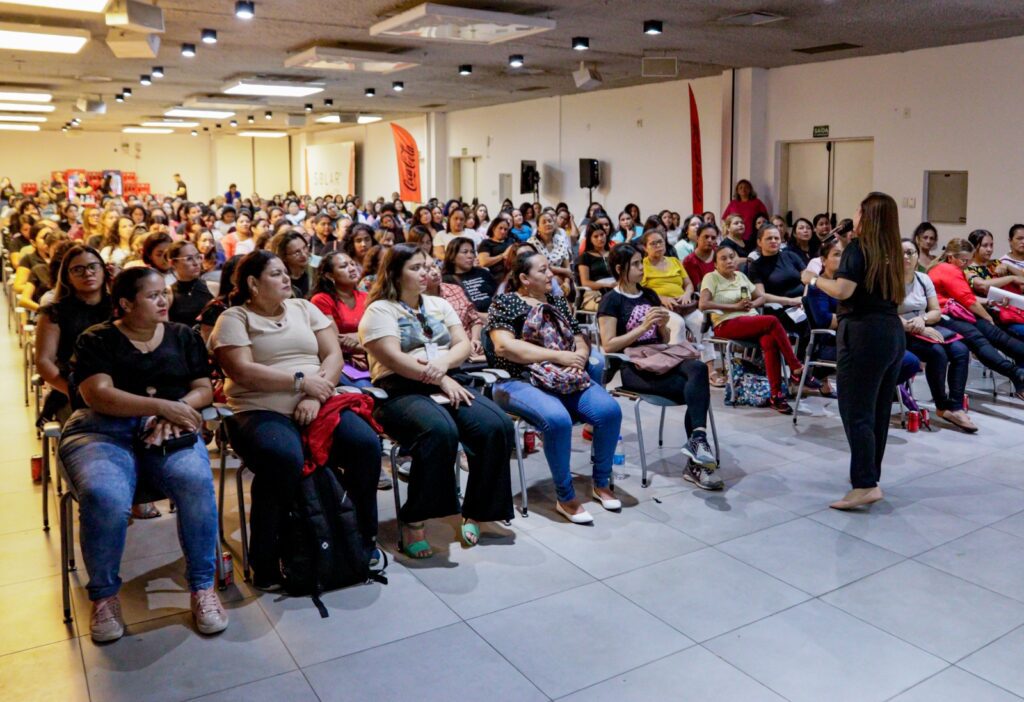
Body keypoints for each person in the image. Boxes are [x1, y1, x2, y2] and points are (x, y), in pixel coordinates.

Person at [60, 267, 226, 642]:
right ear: (124, 303)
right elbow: (97, 394)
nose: (164, 300)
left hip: (168, 430)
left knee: (196, 482)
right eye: (152, 296)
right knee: (105, 496)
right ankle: (104, 596)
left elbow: (203, 388)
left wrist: (176, 409)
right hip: (102, 429)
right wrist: (161, 406)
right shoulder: (97, 338)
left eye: (163, 293)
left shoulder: (183, 335)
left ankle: (203, 588)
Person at [210, 251, 382, 588]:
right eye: (276, 274)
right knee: (282, 458)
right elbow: (241, 370)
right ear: (252, 283)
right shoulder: (234, 318)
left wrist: (315, 395)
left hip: (318, 400)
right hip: (257, 409)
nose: (287, 278)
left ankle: (361, 538)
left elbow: (333, 354)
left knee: (365, 445)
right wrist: (300, 383)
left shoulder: (304, 309)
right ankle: (266, 558)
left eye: (286, 272)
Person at [359, 244, 514, 555]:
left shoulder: (438, 305)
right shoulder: (379, 310)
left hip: (446, 381)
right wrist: (440, 377)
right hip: (398, 390)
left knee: (497, 425)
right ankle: (415, 519)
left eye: (427, 266)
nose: (426, 272)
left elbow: (462, 345)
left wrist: (443, 370)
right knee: (440, 432)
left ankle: (477, 510)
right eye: (416, 267)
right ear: (394, 273)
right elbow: (396, 359)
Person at [487, 251, 622, 524]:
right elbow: (504, 346)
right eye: (543, 270)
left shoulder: (557, 301)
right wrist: (558, 356)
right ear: (524, 278)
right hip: (519, 380)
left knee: (609, 411)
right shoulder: (505, 303)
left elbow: (579, 338)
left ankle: (601, 482)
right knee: (557, 419)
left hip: (563, 376)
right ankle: (565, 496)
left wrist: (580, 357)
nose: (552, 274)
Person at [800, 192, 906, 510]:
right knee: (878, 412)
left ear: (867, 217)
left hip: (862, 334)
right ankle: (869, 474)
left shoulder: (858, 248)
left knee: (855, 410)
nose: (854, 216)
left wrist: (814, 279)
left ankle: (864, 484)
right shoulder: (893, 252)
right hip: (891, 333)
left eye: (859, 211)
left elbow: (843, 290)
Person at [597, 244, 720, 488]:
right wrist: (642, 327)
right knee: (695, 392)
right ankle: (696, 462)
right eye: (635, 264)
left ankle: (698, 439)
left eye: (640, 262)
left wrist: (662, 325)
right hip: (633, 367)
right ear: (620, 268)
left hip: (660, 357)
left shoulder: (649, 295)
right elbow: (608, 346)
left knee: (696, 370)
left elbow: (661, 340)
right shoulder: (611, 300)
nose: (641, 268)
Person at [701, 246, 806, 413]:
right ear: (715, 264)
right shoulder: (711, 277)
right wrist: (733, 306)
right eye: (723, 258)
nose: (729, 261)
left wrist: (752, 304)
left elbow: (761, 297)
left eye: (731, 257)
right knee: (772, 320)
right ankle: (795, 366)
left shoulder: (741, 276)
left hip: (750, 321)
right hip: (726, 323)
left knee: (769, 340)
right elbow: (703, 304)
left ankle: (776, 395)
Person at [927, 238, 1024, 399]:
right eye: (963, 260)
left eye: (968, 260)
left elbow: (966, 297)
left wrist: (990, 302)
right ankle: (1016, 373)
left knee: (996, 335)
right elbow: (968, 300)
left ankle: (1018, 375)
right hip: (944, 316)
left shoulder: (947, 268)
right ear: (951, 257)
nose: (966, 264)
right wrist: (987, 316)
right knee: (981, 340)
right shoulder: (948, 269)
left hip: (957, 312)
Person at [899, 239, 975, 432]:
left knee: (960, 350)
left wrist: (922, 320)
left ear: (917, 257)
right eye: (902, 252)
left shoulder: (923, 279)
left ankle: (956, 406)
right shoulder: (888, 281)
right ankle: (942, 405)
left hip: (924, 326)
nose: (907, 257)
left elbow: (936, 311)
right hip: (900, 331)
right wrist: (914, 326)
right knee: (937, 352)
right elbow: (886, 314)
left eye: (911, 252)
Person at [35, 245, 112, 424]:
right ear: (67, 277)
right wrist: (74, 392)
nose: (88, 273)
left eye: (93, 266)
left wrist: (118, 283)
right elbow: (44, 361)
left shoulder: (120, 306)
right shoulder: (54, 313)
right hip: (71, 387)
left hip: (121, 384)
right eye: (78, 269)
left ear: (104, 270)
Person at [310, 252, 371, 387]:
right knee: (368, 391)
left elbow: (377, 333)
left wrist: (356, 338)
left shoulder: (366, 297)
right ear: (329, 275)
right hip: (344, 363)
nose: (351, 268)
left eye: (352, 264)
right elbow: (336, 341)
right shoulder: (322, 299)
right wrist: (369, 343)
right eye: (343, 266)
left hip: (371, 358)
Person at [442, 237, 497, 313]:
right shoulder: (447, 280)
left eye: (472, 252)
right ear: (452, 257)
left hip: (494, 315)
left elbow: (497, 294)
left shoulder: (482, 272)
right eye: (465, 252)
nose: (470, 256)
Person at [966, 229, 1024, 298]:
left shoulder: (996, 263)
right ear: (974, 247)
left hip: (1006, 304)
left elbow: (1021, 278)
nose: (989, 249)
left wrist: (1007, 266)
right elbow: (982, 285)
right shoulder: (968, 268)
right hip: (987, 306)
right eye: (985, 245)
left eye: (991, 245)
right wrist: (1011, 278)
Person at [167, 241, 214, 326]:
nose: (196, 263)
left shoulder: (214, 287)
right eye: (189, 259)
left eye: (198, 257)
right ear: (173, 263)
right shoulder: (168, 294)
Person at [529, 211, 573, 288]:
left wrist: (567, 283)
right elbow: (536, 269)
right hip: (540, 280)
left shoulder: (560, 240)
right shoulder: (532, 243)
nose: (548, 224)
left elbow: (567, 268)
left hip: (562, 279)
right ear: (538, 228)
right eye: (544, 222)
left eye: (550, 221)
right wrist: (560, 272)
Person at [577, 223, 616, 309]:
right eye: (595, 236)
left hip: (616, 289)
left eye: (602, 234)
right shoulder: (585, 256)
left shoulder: (614, 254)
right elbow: (585, 282)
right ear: (590, 239)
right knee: (610, 306)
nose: (600, 238)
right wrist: (607, 285)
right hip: (595, 293)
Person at [721, 179, 769, 246]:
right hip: (735, 237)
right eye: (740, 187)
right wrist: (725, 233)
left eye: (746, 187)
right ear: (737, 191)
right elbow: (725, 219)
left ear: (750, 190)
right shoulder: (733, 204)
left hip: (753, 237)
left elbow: (765, 219)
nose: (743, 189)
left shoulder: (757, 203)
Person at [271, 230, 313, 299]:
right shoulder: (281, 282)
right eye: (297, 252)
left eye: (305, 248)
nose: (303, 254)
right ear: (284, 257)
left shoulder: (314, 272)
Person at [477, 216, 514, 281]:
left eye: (505, 229)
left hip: (512, 272)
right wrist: (503, 255)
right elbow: (483, 262)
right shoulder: (486, 243)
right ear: (493, 228)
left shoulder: (510, 241)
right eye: (500, 228)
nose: (503, 231)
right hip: (496, 276)